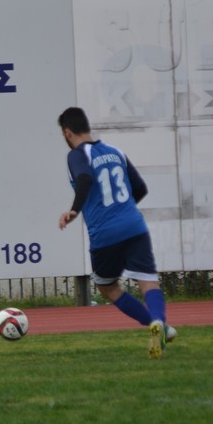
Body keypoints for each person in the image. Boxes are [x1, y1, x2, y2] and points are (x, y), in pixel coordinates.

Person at [56, 107, 176, 358]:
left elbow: (85, 179)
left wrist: (74, 210)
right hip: (134, 226)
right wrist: (124, 210)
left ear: (67, 133)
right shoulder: (115, 151)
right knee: (147, 281)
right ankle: (158, 321)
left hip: (105, 233)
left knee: (108, 287)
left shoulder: (78, 154)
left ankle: (154, 325)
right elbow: (140, 188)